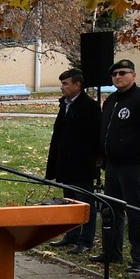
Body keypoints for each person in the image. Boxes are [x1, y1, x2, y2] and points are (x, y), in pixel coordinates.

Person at [95, 59, 140, 267]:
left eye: (123, 73)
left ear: (133, 75)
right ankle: (111, 252)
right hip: (112, 165)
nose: (118, 77)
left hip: (134, 166)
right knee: (111, 210)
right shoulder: (111, 100)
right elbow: (105, 130)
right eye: (114, 74)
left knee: (137, 212)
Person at [44, 68, 102, 250]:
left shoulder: (89, 106)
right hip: (65, 162)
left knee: (84, 202)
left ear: (77, 85)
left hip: (82, 164)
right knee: (69, 201)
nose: (62, 87)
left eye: (65, 83)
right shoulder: (65, 104)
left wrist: (95, 159)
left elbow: (96, 136)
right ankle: (71, 235)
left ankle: (86, 240)